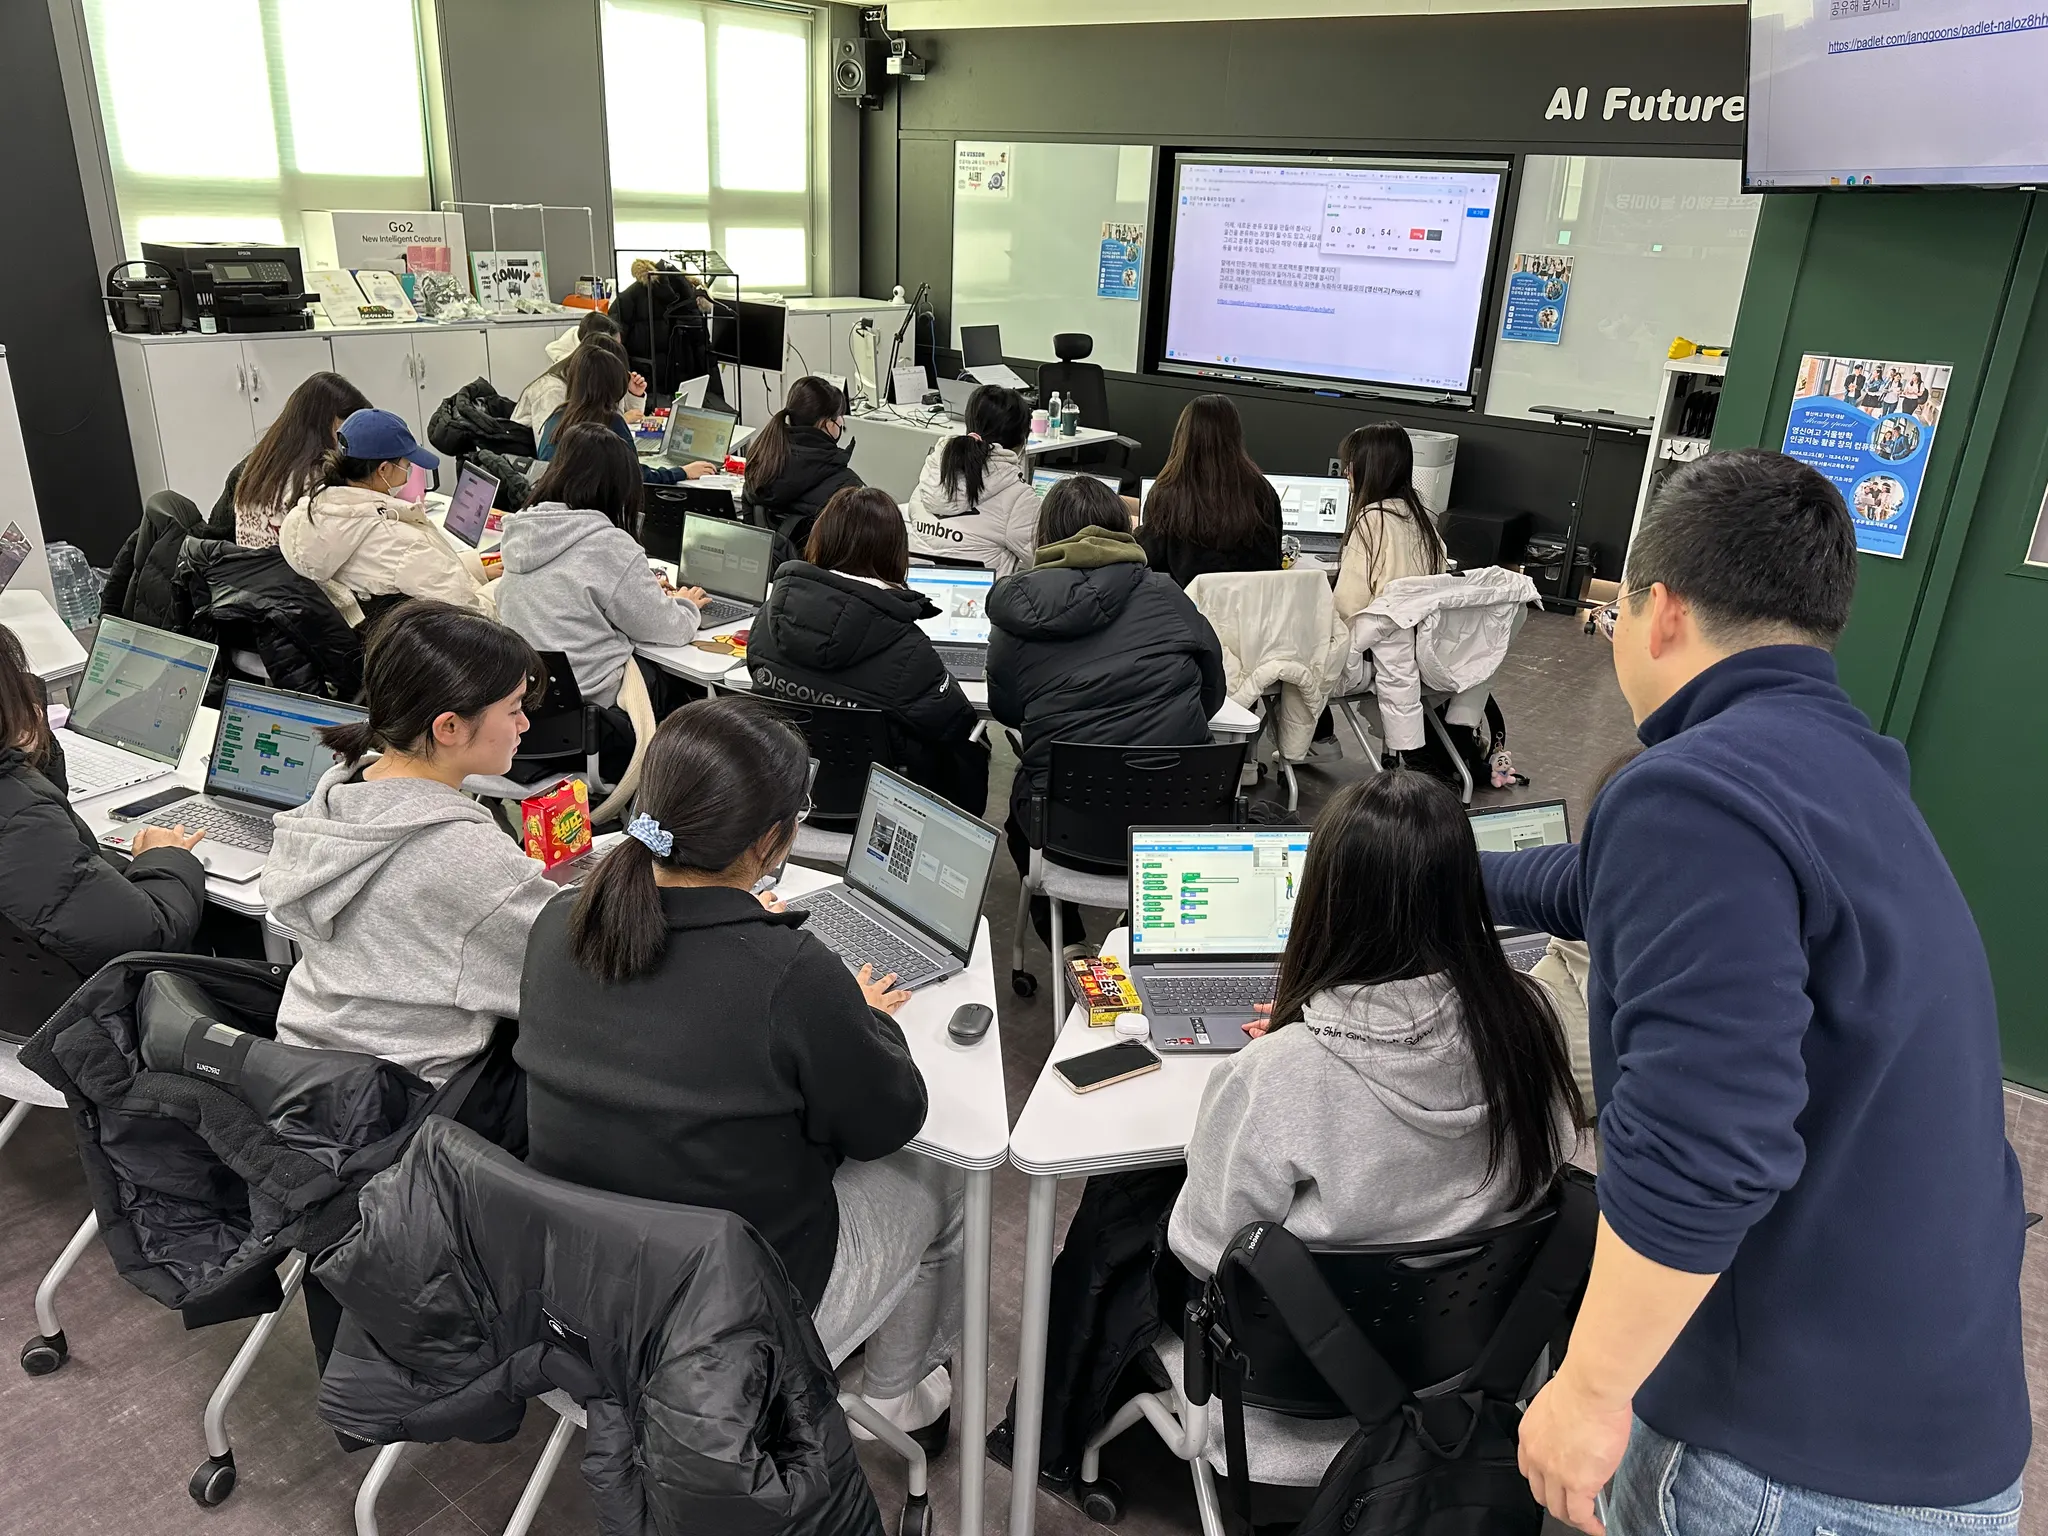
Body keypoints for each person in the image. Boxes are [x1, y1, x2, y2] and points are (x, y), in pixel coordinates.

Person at [1494, 450, 2026, 1536]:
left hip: (1788, 1467)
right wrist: (1433, 867)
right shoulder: (1835, 767)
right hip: (1928, 1412)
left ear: (1660, 613)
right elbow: (1602, 885)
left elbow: (1704, 1141)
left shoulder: (1688, 794)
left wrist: (1588, 1392)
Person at [516, 696, 962, 1443]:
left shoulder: (560, 920)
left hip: (576, 1302)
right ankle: (897, 1397)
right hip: (730, 1324)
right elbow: (888, 1122)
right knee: (942, 1178)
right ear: (770, 841)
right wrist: (866, 1017)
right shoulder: (791, 974)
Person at [1171, 768, 1581, 1276]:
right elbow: (1555, 1161)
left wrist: (1293, 1051)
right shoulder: (1533, 1014)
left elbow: (1204, 1254)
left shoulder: (1271, 1075)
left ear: (1323, 899)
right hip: (1493, 1313)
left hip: (1312, 1324)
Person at [263, 601, 556, 1085]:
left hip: (303, 1072)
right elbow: (572, 965)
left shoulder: (334, 801)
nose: (524, 724)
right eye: (513, 709)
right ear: (449, 727)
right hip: (411, 1101)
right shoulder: (466, 854)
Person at [988, 476, 1224, 952]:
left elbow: (1007, 710)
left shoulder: (1016, 614)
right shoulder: (1169, 596)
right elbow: (1212, 694)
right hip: (1173, 824)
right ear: (1123, 530)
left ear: (1044, 535)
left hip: (1065, 832)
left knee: (1020, 813)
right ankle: (1137, 926)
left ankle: (1068, 943)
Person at [747, 486, 989, 814]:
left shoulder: (769, 617)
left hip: (782, 791)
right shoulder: (907, 647)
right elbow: (955, 724)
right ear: (895, 552)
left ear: (820, 538)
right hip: (877, 809)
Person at [497, 422, 706, 781]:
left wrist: (636, 591)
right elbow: (670, 629)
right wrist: (685, 604)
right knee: (690, 691)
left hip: (526, 722)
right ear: (618, 488)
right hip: (599, 725)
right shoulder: (606, 543)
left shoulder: (521, 533)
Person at [0, 624, 207, 975]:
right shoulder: (21, 820)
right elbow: (151, 936)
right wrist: (164, 857)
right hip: (93, 1001)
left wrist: (30, 753)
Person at [280, 408, 495, 625]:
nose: (407, 476)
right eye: (407, 466)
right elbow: (477, 617)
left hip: (390, 635)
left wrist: (476, 568)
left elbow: (406, 576)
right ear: (383, 469)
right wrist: (503, 585)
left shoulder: (314, 518)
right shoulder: (401, 542)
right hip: (454, 636)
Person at [204, 372, 374, 547]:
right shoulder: (318, 481)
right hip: (292, 564)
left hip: (249, 563)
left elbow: (217, 532)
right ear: (330, 423)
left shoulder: (252, 466)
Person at [1135, 394, 1282, 588]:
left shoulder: (1165, 494)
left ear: (1184, 435)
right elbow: (1273, 562)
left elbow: (1150, 562)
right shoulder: (1263, 492)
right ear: (1236, 435)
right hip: (1251, 604)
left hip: (1186, 604)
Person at [535, 336, 717, 486]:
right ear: (614, 383)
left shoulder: (556, 417)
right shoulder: (608, 422)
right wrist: (682, 472)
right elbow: (637, 475)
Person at [904, 384, 1039, 576]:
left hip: (915, 592)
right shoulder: (1018, 498)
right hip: (980, 595)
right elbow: (1048, 560)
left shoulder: (932, 475)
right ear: (1021, 441)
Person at [1333, 421, 1446, 622]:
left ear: (1370, 467)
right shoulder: (1423, 522)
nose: (1345, 472)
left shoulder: (1372, 520)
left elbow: (1347, 606)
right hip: (1410, 637)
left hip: (1368, 638)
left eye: (1351, 462)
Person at [741, 375, 864, 544]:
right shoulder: (847, 485)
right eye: (839, 415)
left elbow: (749, 530)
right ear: (827, 423)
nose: (842, 421)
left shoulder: (760, 464)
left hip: (760, 558)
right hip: (811, 562)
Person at [511, 311, 648, 432]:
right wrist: (620, 421)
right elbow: (555, 445)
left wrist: (633, 395)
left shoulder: (595, 379)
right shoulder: (552, 390)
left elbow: (627, 420)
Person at [611, 258, 715, 394]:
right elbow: (704, 355)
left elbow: (612, 353)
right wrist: (714, 396)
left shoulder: (628, 299)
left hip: (643, 388)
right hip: (680, 389)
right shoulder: (689, 297)